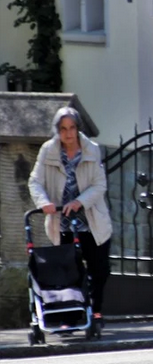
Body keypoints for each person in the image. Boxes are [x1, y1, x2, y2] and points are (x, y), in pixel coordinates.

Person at [29, 106, 113, 326]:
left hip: (91, 220)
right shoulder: (48, 150)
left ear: (78, 128)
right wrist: (44, 202)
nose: (68, 133)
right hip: (63, 222)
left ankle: (96, 311)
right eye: (63, 129)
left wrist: (79, 201)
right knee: (69, 272)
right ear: (57, 130)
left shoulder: (91, 149)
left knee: (99, 269)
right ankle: (71, 315)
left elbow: (99, 184)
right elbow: (35, 181)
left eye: (72, 128)